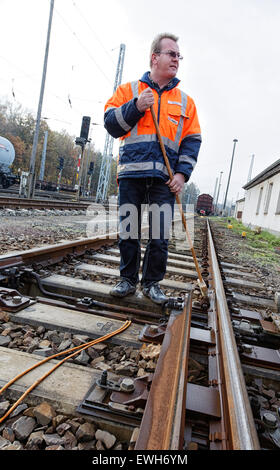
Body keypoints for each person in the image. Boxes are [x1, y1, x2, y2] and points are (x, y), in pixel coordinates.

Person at [104, 33, 201, 304]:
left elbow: (192, 141)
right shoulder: (128, 91)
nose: (176, 60)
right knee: (129, 230)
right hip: (132, 173)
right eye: (171, 54)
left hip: (164, 179)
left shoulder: (185, 102)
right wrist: (136, 107)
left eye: (179, 56)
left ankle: (151, 284)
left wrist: (182, 174)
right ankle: (127, 280)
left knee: (160, 236)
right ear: (154, 57)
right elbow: (112, 125)